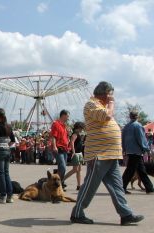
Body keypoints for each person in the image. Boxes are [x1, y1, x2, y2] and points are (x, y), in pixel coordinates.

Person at [70, 81, 144, 225]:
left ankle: (125, 214)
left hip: (110, 153)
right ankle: (77, 213)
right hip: (99, 153)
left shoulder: (100, 105)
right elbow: (107, 116)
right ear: (105, 93)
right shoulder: (91, 104)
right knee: (90, 185)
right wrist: (111, 103)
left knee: (117, 187)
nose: (112, 97)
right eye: (110, 94)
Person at [122, 110, 154, 194]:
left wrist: (124, 149)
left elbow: (123, 139)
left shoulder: (126, 127)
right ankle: (121, 187)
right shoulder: (138, 126)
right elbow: (141, 139)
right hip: (136, 151)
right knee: (130, 171)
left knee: (141, 170)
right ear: (137, 117)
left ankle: (149, 188)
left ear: (130, 116)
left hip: (129, 150)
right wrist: (146, 149)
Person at [0, 108, 16, 203]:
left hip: (0, 151)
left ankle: (2, 196)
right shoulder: (9, 126)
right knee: (6, 173)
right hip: (7, 151)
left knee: (0, 173)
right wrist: (6, 146)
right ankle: (10, 196)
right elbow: (13, 140)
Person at [50, 110, 70, 189]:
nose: (68, 118)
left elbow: (65, 138)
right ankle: (57, 182)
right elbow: (53, 136)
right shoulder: (56, 124)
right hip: (58, 148)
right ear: (63, 115)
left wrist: (68, 147)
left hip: (64, 148)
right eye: (67, 116)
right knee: (62, 167)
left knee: (62, 167)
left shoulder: (64, 126)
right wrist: (54, 146)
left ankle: (57, 183)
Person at [63, 122, 85, 190]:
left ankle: (79, 185)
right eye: (81, 128)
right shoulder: (75, 134)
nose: (82, 129)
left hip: (79, 153)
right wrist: (73, 152)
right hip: (76, 153)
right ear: (77, 128)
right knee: (75, 170)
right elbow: (72, 142)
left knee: (79, 170)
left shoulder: (77, 134)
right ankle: (61, 180)